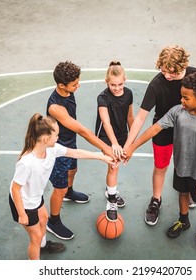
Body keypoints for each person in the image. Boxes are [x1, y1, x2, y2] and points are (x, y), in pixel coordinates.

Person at [123, 72, 196, 249]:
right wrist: (132, 146)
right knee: (182, 194)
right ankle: (183, 220)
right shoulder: (177, 112)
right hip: (180, 168)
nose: (181, 101)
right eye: (181, 97)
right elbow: (154, 129)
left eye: (185, 98)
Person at [9, 113, 115, 260]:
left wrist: (102, 157)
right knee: (36, 237)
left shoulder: (52, 149)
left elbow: (75, 152)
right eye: (56, 135)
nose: (58, 137)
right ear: (46, 139)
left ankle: (43, 246)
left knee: (44, 218)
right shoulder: (27, 162)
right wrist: (21, 213)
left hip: (35, 196)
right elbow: (15, 188)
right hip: (24, 202)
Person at [123, 45, 196, 226]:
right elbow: (141, 117)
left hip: (188, 131)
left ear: (183, 66)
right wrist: (128, 145)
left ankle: (187, 192)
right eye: (163, 70)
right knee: (161, 167)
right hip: (163, 131)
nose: (167, 76)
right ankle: (156, 200)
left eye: (171, 72)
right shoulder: (157, 84)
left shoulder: (195, 77)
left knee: (186, 165)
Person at [46, 61, 117, 240]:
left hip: (69, 142)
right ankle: (53, 221)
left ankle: (69, 192)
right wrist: (106, 148)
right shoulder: (55, 107)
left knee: (73, 170)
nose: (79, 85)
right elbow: (82, 130)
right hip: (58, 150)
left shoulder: (68, 91)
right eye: (74, 84)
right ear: (61, 85)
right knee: (58, 189)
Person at [95, 61, 134, 221]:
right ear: (107, 82)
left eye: (120, 84)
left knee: (115, 167)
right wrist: (114, 144)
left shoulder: (129, 94)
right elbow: (106, 122)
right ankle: (111, 200)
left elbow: (130, 117)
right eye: (113, 85)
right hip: (106, 136)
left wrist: (132, 141)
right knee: (114, 165)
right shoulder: (103, 98)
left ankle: (110, 190)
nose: (117, 88)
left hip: (122, 134)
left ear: (125, 80)